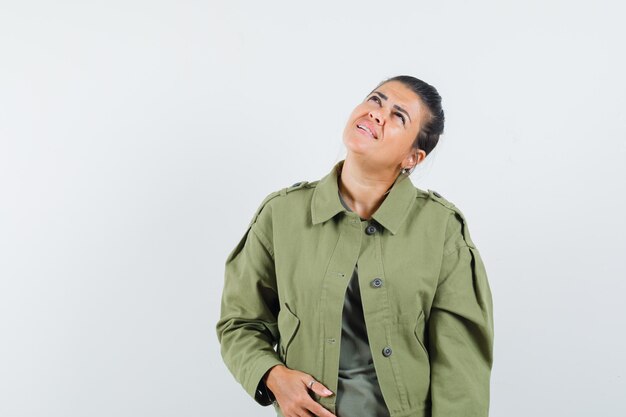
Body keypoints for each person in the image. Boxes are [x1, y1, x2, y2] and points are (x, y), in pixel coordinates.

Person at [216, 75, 494, 417]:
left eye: (398, 116)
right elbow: (240, 322)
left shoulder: (441, 229)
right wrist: (272, 375)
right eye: (376, 100)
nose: (377, 113)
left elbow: (461, 368)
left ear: (413, 157)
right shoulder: (281, 214)